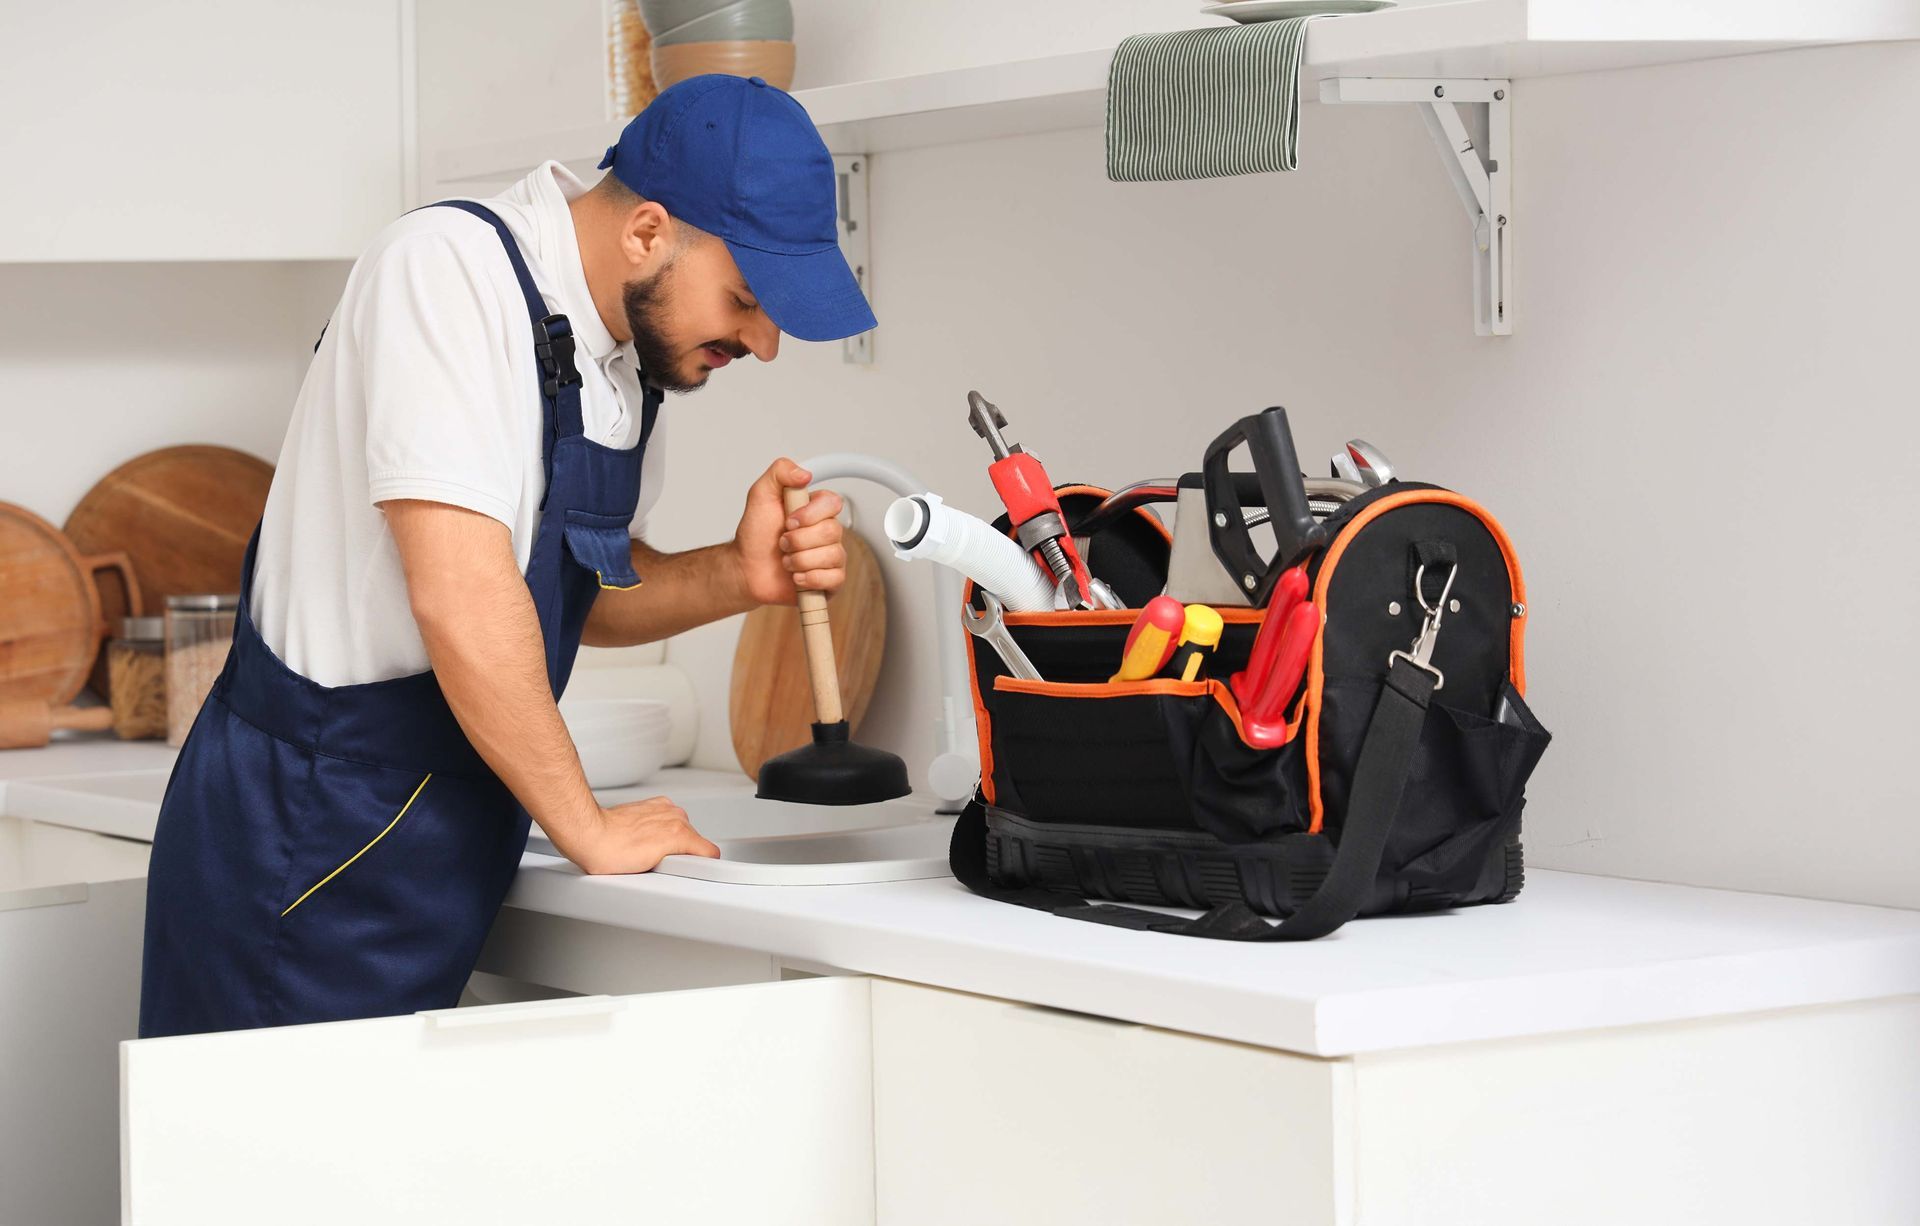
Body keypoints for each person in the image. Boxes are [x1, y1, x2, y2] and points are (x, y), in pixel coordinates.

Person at [138, 74, 875, 1038]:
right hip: (308, 827)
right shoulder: (446, 273)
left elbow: (572, 596)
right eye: (746, 299)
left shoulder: (620, 359)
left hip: (447, 830)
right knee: (262, 1176)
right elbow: (462, 598)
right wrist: (591, 827)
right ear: (648, 232)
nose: (765, 342)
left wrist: (737, 576)